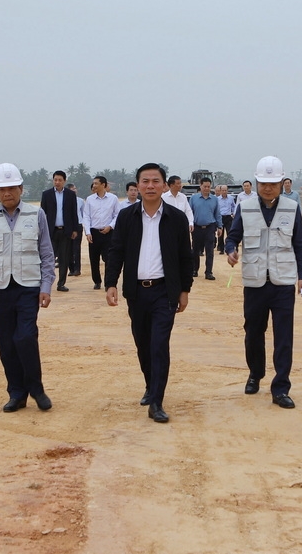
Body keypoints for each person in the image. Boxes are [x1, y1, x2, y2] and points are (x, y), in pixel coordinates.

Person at [105, 163, 193, 423]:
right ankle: (150, 385)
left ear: (164, 186)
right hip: (136, 292)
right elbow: (116, 251)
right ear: (137, 186)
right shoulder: (127, 216)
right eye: (145, 181)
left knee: (159, 345)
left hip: (165, 292)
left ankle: (156, 401)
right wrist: (111, 283)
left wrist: (185, 289)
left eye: (156, 181)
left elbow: (185, 258)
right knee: (142, 344)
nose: (151, 186)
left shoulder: (176, 219)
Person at [0, 162, 56, 413]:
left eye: (11, 188)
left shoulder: (36, 215)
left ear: (21, 188)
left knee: (25, 337)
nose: (7, 193)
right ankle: (16, 393)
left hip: (29, 286)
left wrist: (47, 286)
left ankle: (37, 389)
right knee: (7, 344)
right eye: (1, 189)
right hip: (0, 289)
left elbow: (47, 254)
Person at [225, 156, 302, 410]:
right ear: (257, 182)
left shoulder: (292, 209)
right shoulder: (246, 206)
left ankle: (281, 387)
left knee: (284, 337)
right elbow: (234, 236)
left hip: (283, 282)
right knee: (253, 334)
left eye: (273, 183)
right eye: (264, 183)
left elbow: (300, 244)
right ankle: (255, 373)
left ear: (281, 182)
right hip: (255, 282)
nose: (268, 188)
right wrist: (230, 250)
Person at [40, 170, 80, 292]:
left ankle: (61, 283)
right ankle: (46, 283)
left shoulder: (70, 195)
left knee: (64, 258)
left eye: (60, 180)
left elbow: (74, 213)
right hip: (50, 231)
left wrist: (75, 229)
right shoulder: (46, 194)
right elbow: (42, 213)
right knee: (48, 258)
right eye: (55, 180)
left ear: (64, 181)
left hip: (65, 231)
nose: (57, 182)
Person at [83, 176, 120, 291]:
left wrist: (110, 226)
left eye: (96, 183)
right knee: (94, 259)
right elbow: (86, 216)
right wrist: (88, 232)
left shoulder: (113, 198)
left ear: (103, 185)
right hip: (94, 232)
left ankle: (108, 283)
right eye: (93, 183)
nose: (94, 186)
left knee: (109, 259)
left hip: (109, 233)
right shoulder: (89, 199)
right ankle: (97, 281)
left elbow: (117, 215)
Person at [189, 178, 222, 280]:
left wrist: (220, 226)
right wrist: (189, 224)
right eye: (205, 186)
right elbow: (189, 213)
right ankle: (195, 270)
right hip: (197, 228)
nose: (207, 188)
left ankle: (208, 272)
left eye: (208, 186)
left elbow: (217, 214)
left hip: (210, 228)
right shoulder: (193, 199)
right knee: (195, 250)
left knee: (210, 251)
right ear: (200, 186)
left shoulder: (214, 199)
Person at [67, 183, 84, 277]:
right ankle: (71, 268)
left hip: (78, 225)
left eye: (75, 188)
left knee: (76, 248)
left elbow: (83, 214)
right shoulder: (65, 200)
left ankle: (77, 269)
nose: (74, 190)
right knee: (68, 249)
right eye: (72, 189)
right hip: (68, 226)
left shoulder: (80, 201)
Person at [215, 184, 236, 254]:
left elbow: (233, 206)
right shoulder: (217, 199)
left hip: (228, 217)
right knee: (220, 234)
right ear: (220, 191)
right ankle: (221, 249)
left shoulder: (231, 198)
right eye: (223, 190)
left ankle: (229, 248)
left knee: (229, 233)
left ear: (227, 191)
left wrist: (233, 213)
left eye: (225, 190)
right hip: (220, 217)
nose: (224, 192)